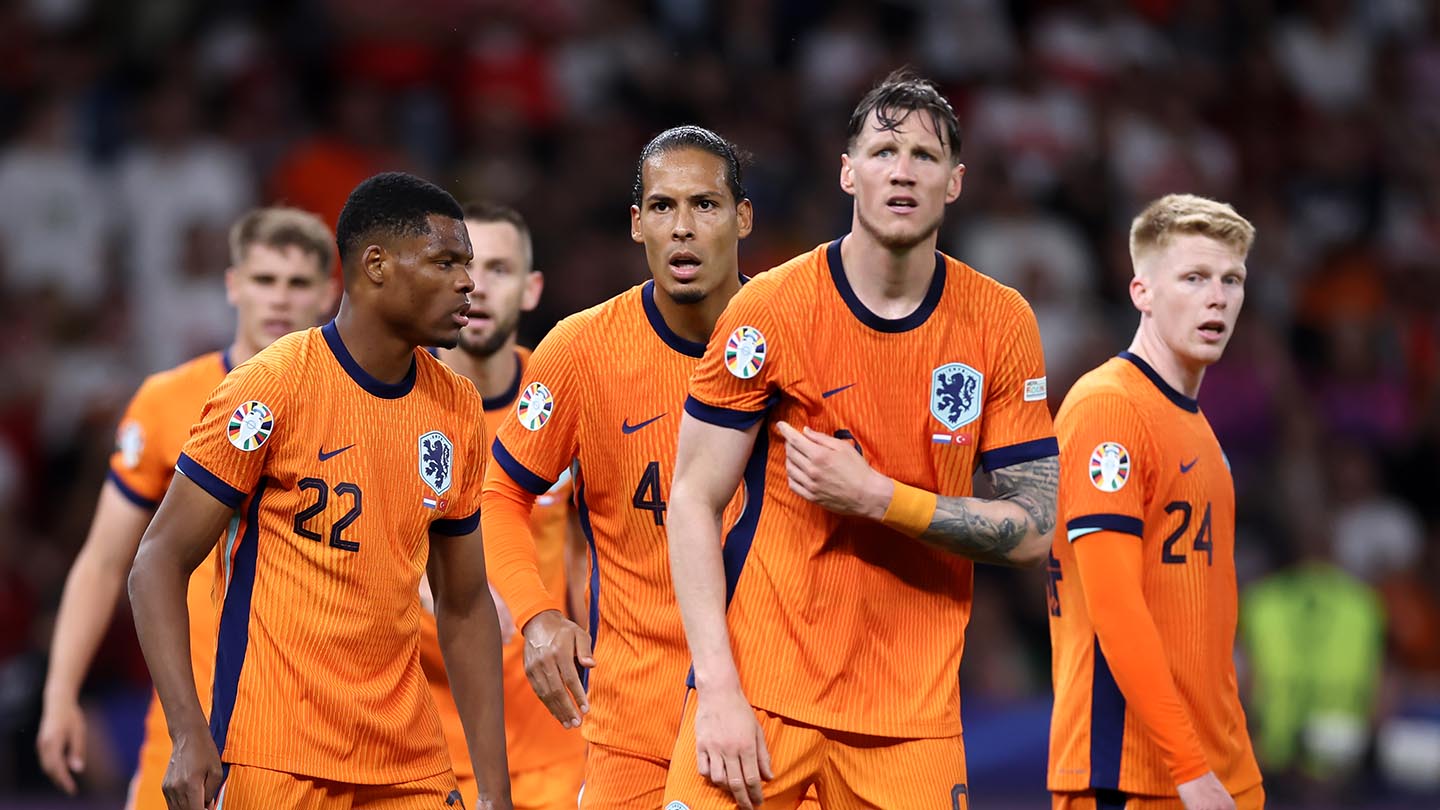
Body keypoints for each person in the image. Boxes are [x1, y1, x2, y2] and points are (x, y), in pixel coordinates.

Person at [664, 69, 1059, 810]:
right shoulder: (770, 309)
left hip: (911, 724)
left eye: (924, 156)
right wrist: (716, 688)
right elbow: (690, 500)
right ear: (848, 172)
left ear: (956, 183)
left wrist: (879, 498)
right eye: (882, 151)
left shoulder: (999, 324)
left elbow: (1036, 529)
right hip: (760, 697)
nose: (901, 171)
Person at [126, 172, 511, 810]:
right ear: (377, 265)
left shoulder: (456, 407)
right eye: (446, 262)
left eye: (466, 265)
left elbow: (465, 604)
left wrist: (494, 790)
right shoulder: (273, 385)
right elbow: (157, 562)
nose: (468, 282)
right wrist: (188, 729)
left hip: (407, 758)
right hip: (274, 749)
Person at [482, 126, 761, 809]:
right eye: (663, 208)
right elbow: (499, 494)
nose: (684, 228)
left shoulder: (799, 337)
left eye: (706, 204)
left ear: (743, 217)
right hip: (633, 725)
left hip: (774, 712)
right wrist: (537, 617)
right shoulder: (581, 350)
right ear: (637, 225)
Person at [36, 206, 338, 807]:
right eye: (264, 279)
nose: (279, 298)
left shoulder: (351, 405)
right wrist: (60, 692)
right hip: (184, 726)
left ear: (330, 293)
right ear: (232, 284)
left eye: (298, 282)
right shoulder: (166, 401)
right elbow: (102, 562)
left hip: (312, 732)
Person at [1047, 194, 1264, 810]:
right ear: (1141, 291)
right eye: (1194, 278)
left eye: (1231, 280)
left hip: (1219, 768)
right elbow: (1115, 606)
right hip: (1136, 773)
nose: (1217, 297)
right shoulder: (1109, 407)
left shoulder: (1197, 427)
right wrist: (1190, 768)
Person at [430, 201, 587, 809]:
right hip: (426, 749)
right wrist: (445, 591)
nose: (479, 286)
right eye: (464, 266)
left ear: (531, 288)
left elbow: (593, 550)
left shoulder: (566, 400)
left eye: (500, 269)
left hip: (559, 739)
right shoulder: (392, 404)